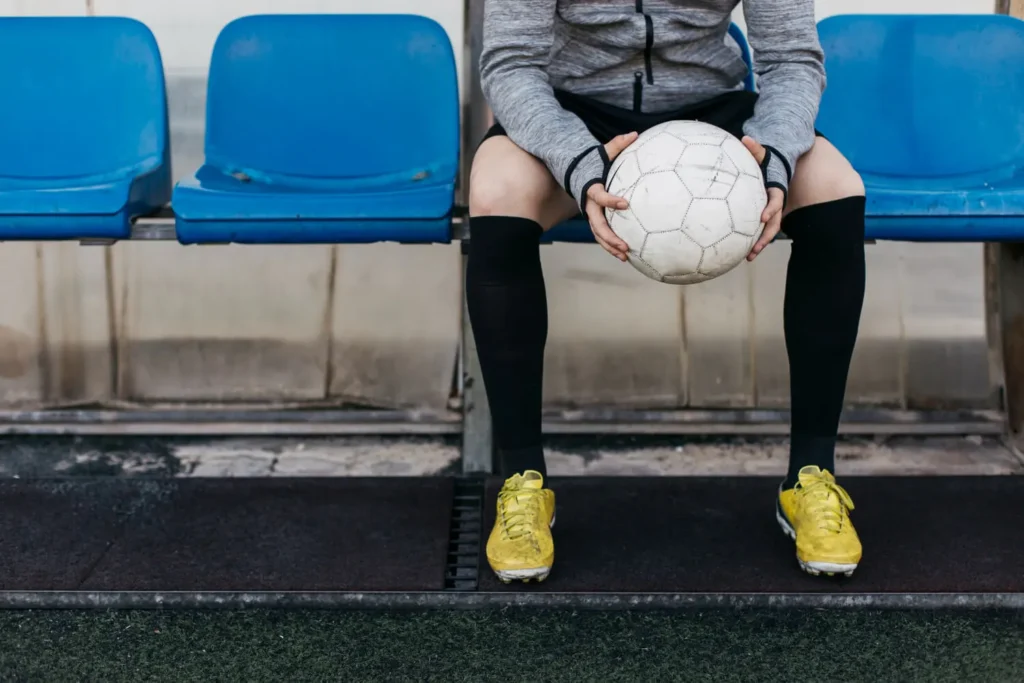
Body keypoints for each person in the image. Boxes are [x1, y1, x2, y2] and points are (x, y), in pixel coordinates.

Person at [468, 0, 866, 583]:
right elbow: (511, 63)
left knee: (835, 188)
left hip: (716, 120)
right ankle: (522, 483)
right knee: (496, 193)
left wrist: (774, 154)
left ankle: (810, 477)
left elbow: (791, 60)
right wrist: (577, 162)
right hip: (574, 118)